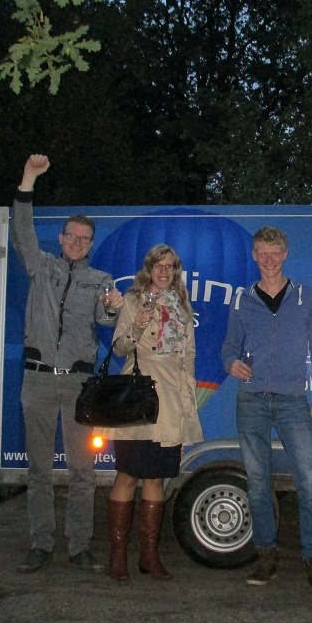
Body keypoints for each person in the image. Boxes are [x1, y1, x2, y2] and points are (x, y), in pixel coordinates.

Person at [11, 154, 124, 574]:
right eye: (71, 236)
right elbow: (22, 230)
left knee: (82, 470)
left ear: (91, 244)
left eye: (84, 239)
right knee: (39, 470)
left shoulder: (100, 281)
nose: (77, 243)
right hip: (38, 380)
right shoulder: (41, 267)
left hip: (78, 385)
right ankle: (40, 543)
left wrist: (113, 307)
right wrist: (29, 178)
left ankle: (80, 546)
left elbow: (107, 323)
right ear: (60, 238)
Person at [220, 227, 312, 599]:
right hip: (251, 400)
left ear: (285, 254)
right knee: (258, 484)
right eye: (262, 253)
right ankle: (266, 555)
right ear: (255, 256)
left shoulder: (305, 296)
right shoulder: (243, 298)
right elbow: (228, 346)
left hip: (292, 401)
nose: (269, 259)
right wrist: (230, 363)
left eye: (275, 252)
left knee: (310, 484)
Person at [102, 244, 204, 581]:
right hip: (138, 395)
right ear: (149, 269)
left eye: (169, 266)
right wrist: (136, 327)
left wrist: (187, 395)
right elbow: (119, 349)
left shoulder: (183, 308)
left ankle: (149, 556)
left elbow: (189, 354)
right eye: (158, 266)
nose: (163, 271)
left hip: (171, 400)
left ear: (176, 271)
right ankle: (118, 556)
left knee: (156, 478)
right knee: (128, 474)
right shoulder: (133, 301)